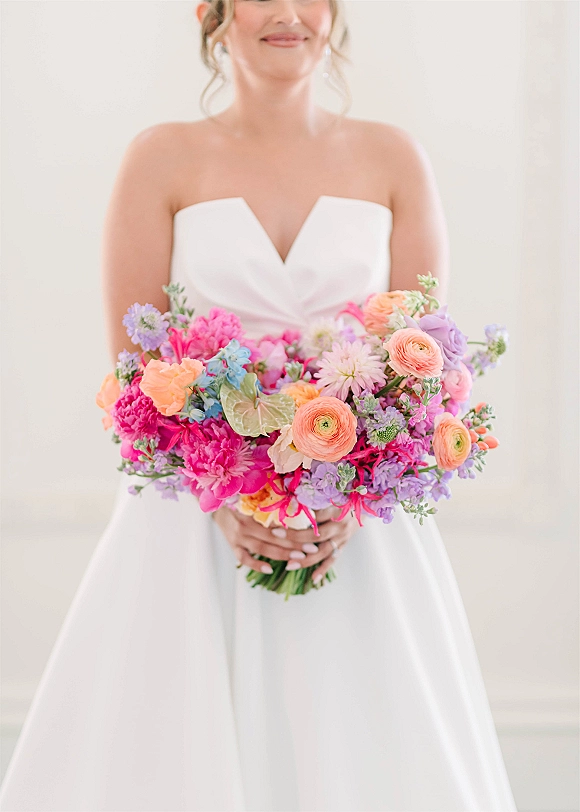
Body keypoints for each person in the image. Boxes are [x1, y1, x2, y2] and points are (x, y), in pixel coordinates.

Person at [0, 1, 519, 810]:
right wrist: (224, 498)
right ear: (213, 12)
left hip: (353, 528)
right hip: (190, 522)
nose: (286, 12)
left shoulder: (393, 158)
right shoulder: (160, 159)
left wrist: (351, 490)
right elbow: (136, 368)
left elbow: (422, 362)